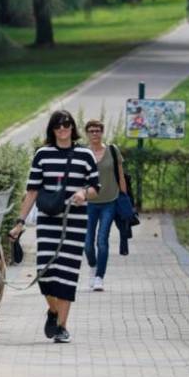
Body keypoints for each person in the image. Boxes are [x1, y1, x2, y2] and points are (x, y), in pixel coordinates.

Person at [8, 110, 99, 343]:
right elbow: (32, 191)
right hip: (48, 220)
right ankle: (53, 310)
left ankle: (61, 327)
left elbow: (95, 187)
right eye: (58, 125)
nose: (62, 128)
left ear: (72, 128)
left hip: (76, 221)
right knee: (45, 273)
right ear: (52, 129)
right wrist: (19, 222)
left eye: (66, 124)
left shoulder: (85, 155)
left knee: (67, 274)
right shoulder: (42, 155)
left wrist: (83, 193)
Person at [84, 120, 127, 292]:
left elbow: (121, 176)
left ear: (102, 132)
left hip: (110, 201)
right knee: (87, 243)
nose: (95, 133)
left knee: (102, 240)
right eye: (91, 131)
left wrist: (125, 198)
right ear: (87, 133)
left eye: (98, 130)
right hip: (88, 203)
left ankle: (100, 277)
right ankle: (93, 267)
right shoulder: (83, 153)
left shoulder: (113, 151)